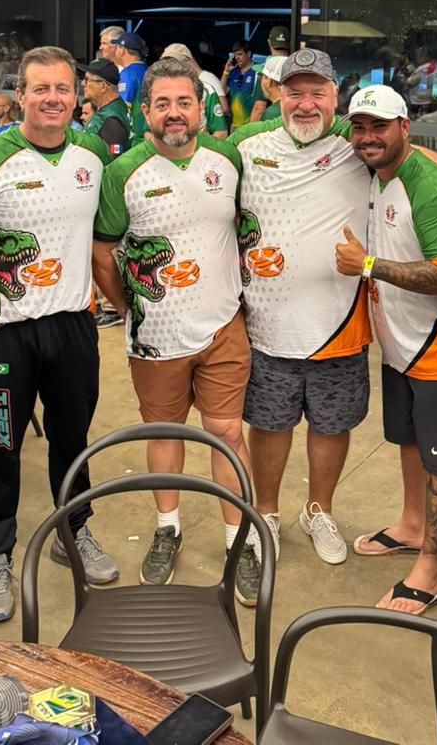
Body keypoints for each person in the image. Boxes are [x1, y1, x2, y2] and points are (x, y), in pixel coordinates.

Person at [0, 46, 119, 623]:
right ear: (19, 95)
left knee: (73, 439)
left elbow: (104, 242)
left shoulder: (92, 155)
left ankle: (76, 531)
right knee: (0, 447)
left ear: (77, 95)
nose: (52, 98)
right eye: (39, 88)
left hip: (72, 326)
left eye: (62, 88)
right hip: (3, 334)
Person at [94, 56, 260, 603]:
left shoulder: (226, 158)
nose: (174, 113)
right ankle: (168, 528)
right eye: (162, 103)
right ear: (145, 111)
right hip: (156, 337)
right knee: (164, 434)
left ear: (200, 108)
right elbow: (103, 252)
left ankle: (239, 539)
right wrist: (129, 308)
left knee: (226, 433)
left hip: (222, 327)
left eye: (183, 102)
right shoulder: (124, 172)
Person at [229, 47, 372, 565]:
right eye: (295, 93)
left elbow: (421, 162)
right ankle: (266, 512)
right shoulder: (246, 146)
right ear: (278, 95)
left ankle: (318, 511)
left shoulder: (361, 146)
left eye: (317, 92)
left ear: (336, 96)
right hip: (266, 323)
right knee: (269, 424)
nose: (306, 104)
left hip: (339, 322)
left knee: (332, 425)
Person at [336, 85, 437, 615]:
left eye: (380, 126)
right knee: (408, 441)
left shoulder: (429, 185)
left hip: (436, 349)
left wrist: (367, 266)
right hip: (398, 343)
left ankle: (431, 570)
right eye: (359, 127)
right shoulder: (378, 172)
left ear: (405, 127)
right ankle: (413, 525)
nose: (368, 137)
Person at [162, 44, 228, 139]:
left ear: (188, 62)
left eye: (175, 64)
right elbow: (148, 131)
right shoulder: (159, 92)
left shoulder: (206, 90)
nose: (171, 68)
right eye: (167, 65)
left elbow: (221, 132)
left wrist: (200, 147)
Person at [81, 60, 131, 158]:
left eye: (87, 80)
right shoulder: (111, 110)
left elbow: (113, 159)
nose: (83, 83)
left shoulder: (112, 119)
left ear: (102, 86)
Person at [111, 32, 148, 142]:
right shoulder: (148, 70)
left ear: (121, 50)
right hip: (148, 132)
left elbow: (123, 107)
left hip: (135, 136)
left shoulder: (127, 74)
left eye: (117, 47)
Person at [249, 28, 290, 124]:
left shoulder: (266, 69)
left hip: (271, 122)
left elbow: (259, 108)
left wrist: (250, 130)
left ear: (269, 42)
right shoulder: (295, 66)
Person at [222, 41, 259, 130]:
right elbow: (222, 92)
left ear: (248, 54)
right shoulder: (234, 72)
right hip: (234, 126)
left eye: (240, 54)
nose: (236, 57)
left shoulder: (258, 71)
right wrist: (226, 72)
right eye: (235, 55)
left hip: (251, 125)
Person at [256, 56, 285, 121]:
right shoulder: (292, 106)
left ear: (268, 81)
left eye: (261, 76)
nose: (260, 81)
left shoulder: (271, 114)